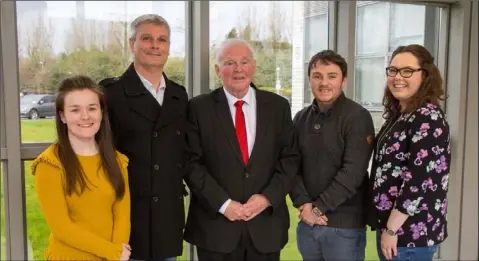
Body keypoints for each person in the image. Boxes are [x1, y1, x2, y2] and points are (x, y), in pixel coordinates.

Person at [183, 38, 300, 261]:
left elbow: (290, 160)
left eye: (244, 62)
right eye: (229, 63)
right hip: (216, 229)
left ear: (253, 67)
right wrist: (223, 204)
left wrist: (266, 198)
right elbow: (190, 163)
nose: (238, 69)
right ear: (218, 70)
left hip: (265, 228)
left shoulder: (278, 107)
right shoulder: (199, 108)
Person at [99, 14, 188, 261]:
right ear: (132, 44)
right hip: (127, 215)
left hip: (167, 219)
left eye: (162, 40)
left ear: (169, 48)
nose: (155, 45)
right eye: (147, 38)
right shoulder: (110, 94)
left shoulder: (179, 96)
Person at [32, 75, 131, 261]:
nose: (85, 116)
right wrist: (112, 252)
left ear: (101, 112)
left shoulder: (117, 160)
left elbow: (122, 216)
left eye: (92, 108)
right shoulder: (49, 164)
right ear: (62, 116)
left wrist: (117, 254)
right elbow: (62, 228)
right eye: (75, 110)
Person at [289, 50, 375, 261]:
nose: (323, 83)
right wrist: (304, 205)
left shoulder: (357, 117)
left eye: (332, 76)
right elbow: (291, 165)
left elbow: (352, 173)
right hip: (308, 224)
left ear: (343, 80)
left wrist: (317, 209)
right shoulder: (300, 118)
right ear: (310, 79)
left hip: (344, 229)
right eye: (317, 76)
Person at [369, 44, 451, 261]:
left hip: (409, 234)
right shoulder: (402, 114)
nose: (398, 77)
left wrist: (392, 230)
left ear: (425, 75)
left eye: (407, 71)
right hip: (392, 229)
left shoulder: (428, 117)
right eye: (393, 70)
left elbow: (418, 181)